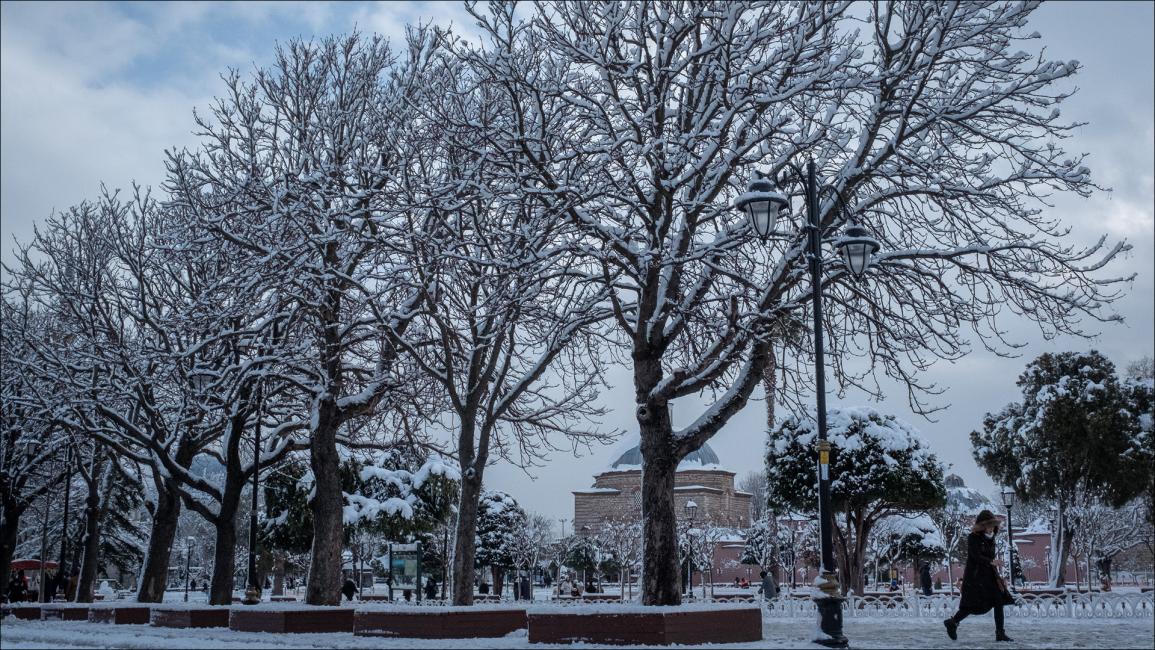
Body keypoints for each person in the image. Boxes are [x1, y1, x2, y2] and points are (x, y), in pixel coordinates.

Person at [944, 510, 1015, 643]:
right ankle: (952, 622)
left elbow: (989, 557)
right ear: (982, 526)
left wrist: (993, 563)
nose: (991, 528)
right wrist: (992, 561)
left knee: (998, 601)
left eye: (993, 525)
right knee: (972, 606)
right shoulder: (973, 537)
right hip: (976, 578)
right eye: (988, 525)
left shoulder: (991, 538)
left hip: (990, 575)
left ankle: (1000, 633)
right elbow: (975, 556)